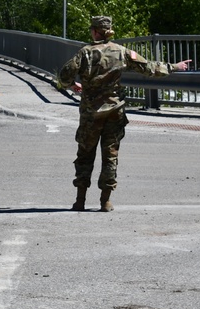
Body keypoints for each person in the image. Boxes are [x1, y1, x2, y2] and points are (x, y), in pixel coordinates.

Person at [56, 16, 191, 212]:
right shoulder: (121, 52)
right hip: (114, 112)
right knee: (110, 155)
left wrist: (72, 85)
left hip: (91, 113)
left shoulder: (84, 53)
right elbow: (149, 68)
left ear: (94, 31)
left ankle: (80, 201)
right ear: (109, 31)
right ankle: (105, 201)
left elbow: (64, 75)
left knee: (85, 154)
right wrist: (174, 67)